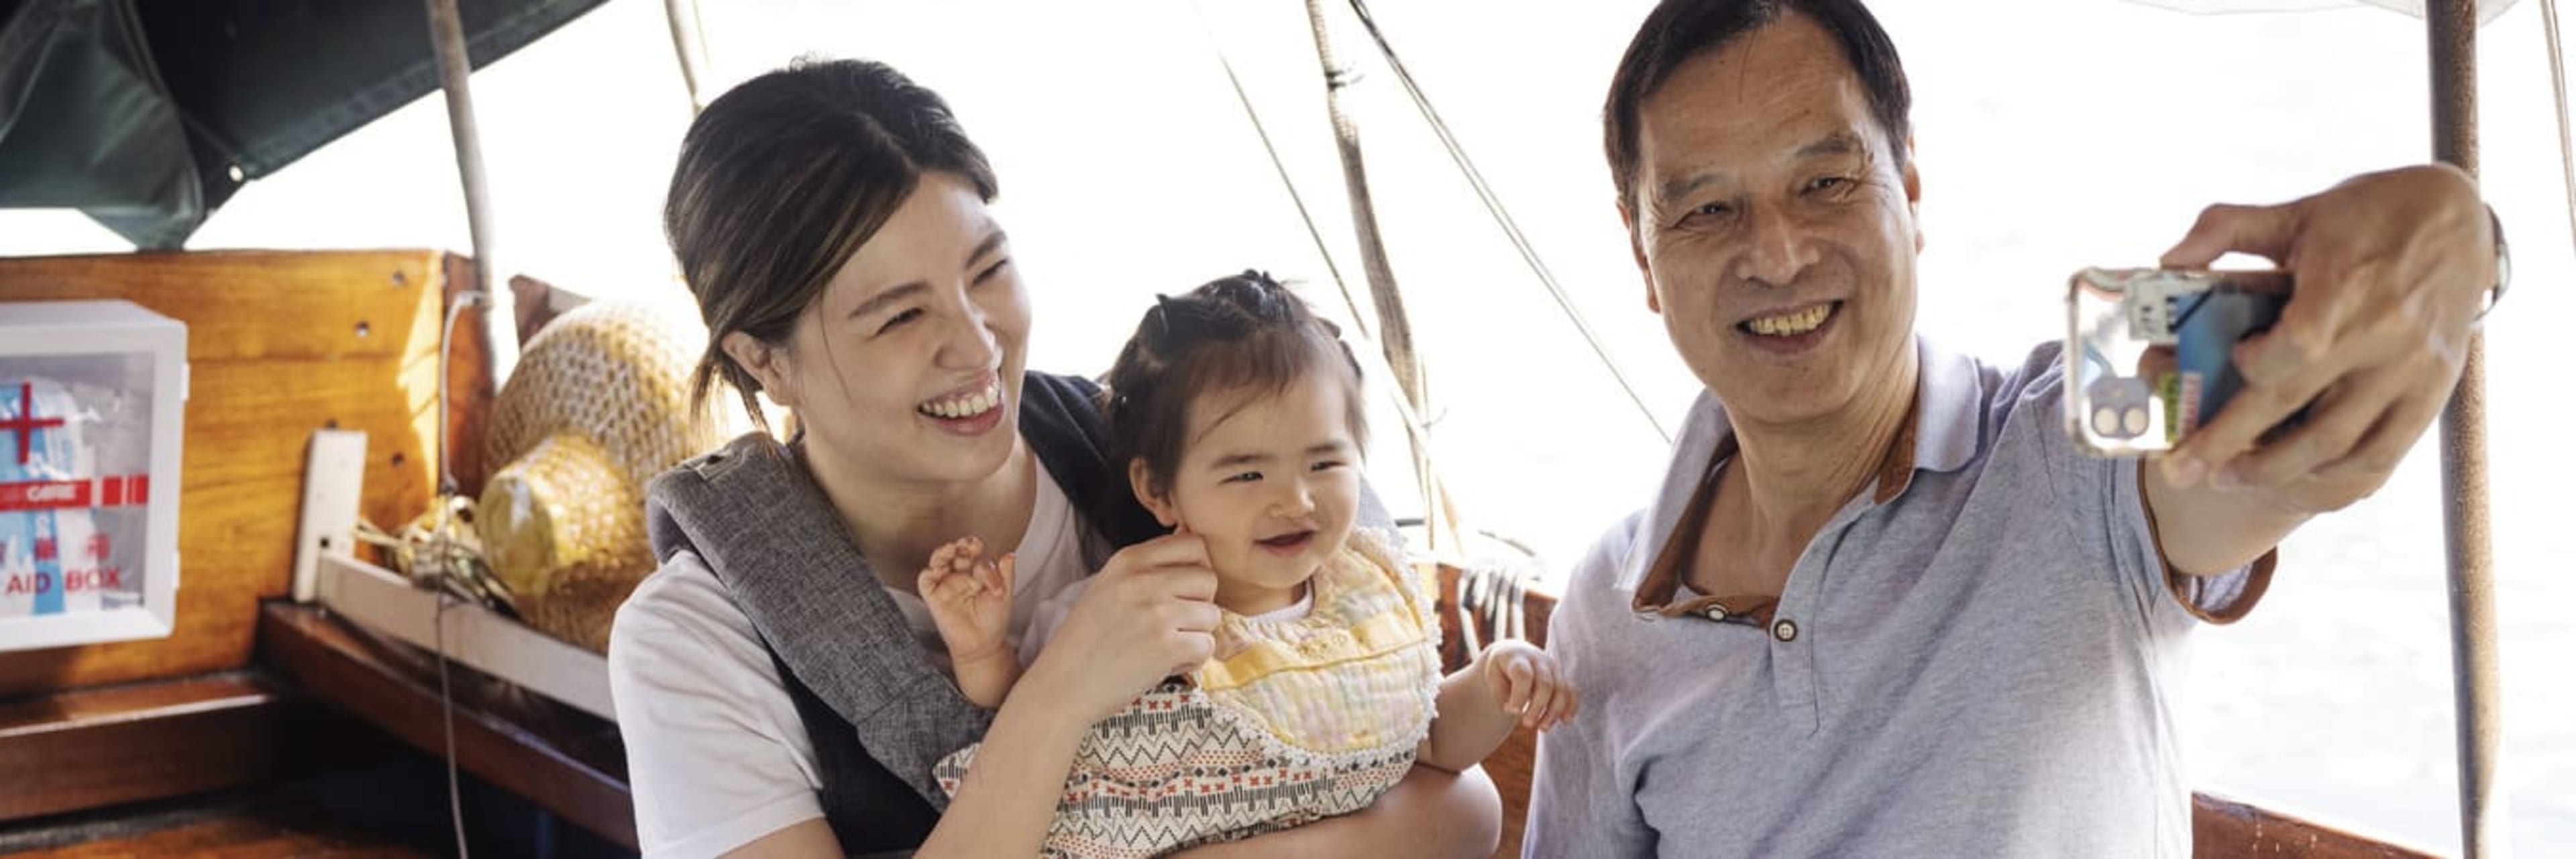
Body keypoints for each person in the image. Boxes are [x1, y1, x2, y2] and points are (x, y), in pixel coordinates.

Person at [1521, 1, 2506, 856]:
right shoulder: (1606, 610)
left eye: (1825, 183)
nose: (1776, 255)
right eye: (1708, 210)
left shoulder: (2076, 432)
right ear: (1644, 258)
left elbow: (2305, 424)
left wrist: (2462, 239)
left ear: (1909, 193)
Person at [606, 58, 1501, 858]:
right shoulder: (692, 645)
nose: (977, 345)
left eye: (989, 271)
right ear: (763, 359)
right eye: (902, 316)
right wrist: (1057, 694)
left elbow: (1462, 804)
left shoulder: (1202, 440)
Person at [914, 272, 1577, 858]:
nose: (1295, 498)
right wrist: (979, 650)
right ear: (1159, 490)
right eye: (1249, 473)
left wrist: (1497, 677)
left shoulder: (1364, 600)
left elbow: (1431, 740)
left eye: (1325, 462)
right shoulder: (1129, 612)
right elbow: (1021, 720)